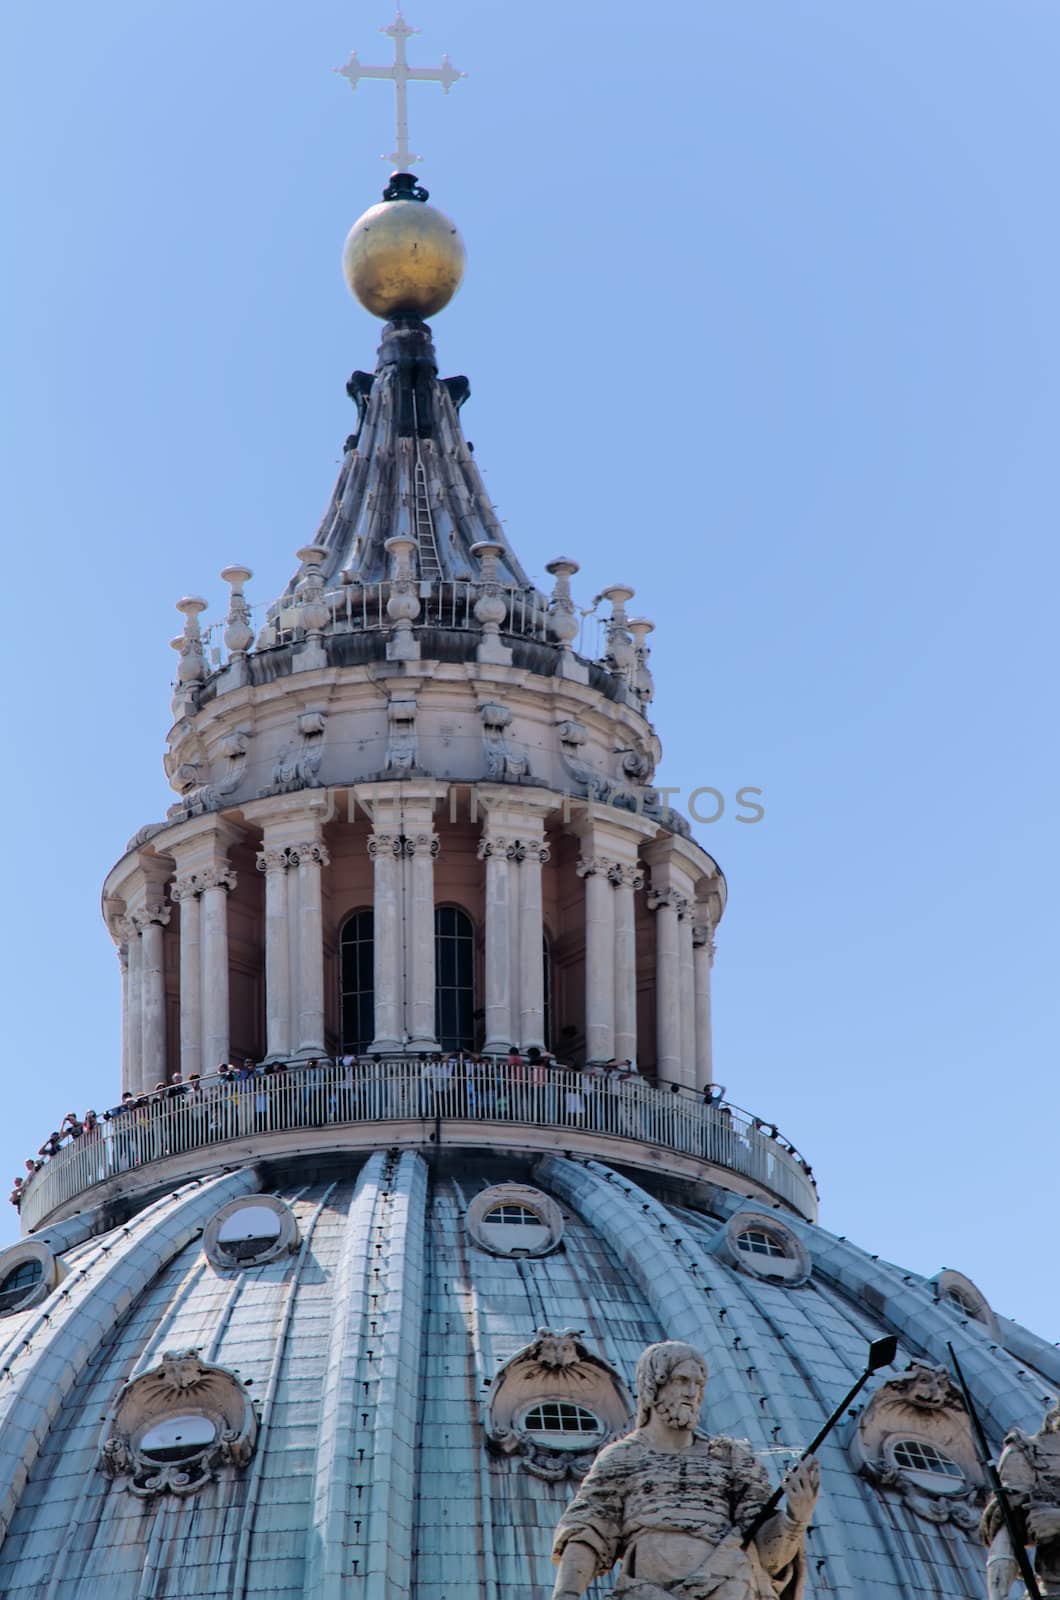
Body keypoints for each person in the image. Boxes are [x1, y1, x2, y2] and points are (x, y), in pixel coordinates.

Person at [551, 1341, 818, 1600]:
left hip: (730, 1587)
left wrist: (796, 1518)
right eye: (681, 1380)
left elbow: (767, 1557)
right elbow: (588, 1531)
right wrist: (567, 1593)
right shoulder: (622, 1457)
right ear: (654, 1386)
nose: (692, 1392)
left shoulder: (732, 1459)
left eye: (698, 1384)